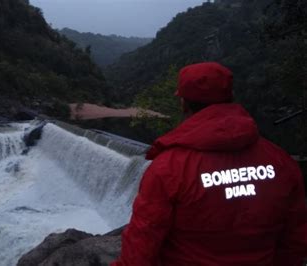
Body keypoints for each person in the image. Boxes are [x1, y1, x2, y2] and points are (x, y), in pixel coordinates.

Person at [112, 62, 307, 266]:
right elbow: (295, 239)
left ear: (183, 104)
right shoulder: (280, 161)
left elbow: (141, 247)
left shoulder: (168, 168)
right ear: (230, 98)